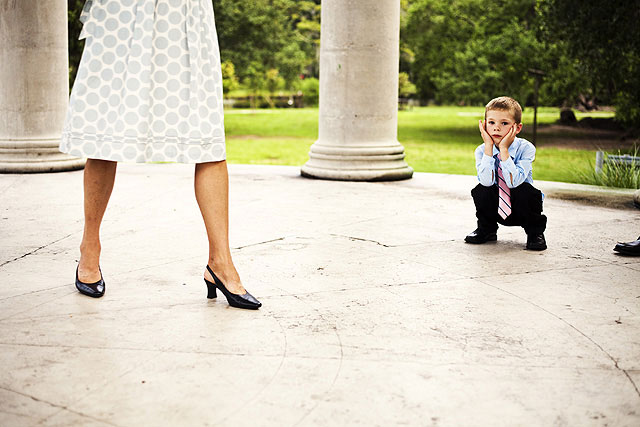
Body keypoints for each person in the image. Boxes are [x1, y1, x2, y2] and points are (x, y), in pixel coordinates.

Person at [60, 0, 261, 309]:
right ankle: (90, 248)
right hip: (124, 12)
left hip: (185, 13)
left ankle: (219, 262)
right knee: (104, 132)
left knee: (207, 138)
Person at [464, 96, 547, 251]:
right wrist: (489, 148)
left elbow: (513, 182)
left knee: (527, 192)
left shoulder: (526, 148)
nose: (496, 128)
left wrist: (503, 150)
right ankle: (486, 229)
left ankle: (535, 234)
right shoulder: (482, 150)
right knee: (481, 190)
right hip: (496, 206)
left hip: (521, 206)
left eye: (504, 123)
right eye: (491, 122)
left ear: (517, 128)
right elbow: (487, 182)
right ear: (484, 125)